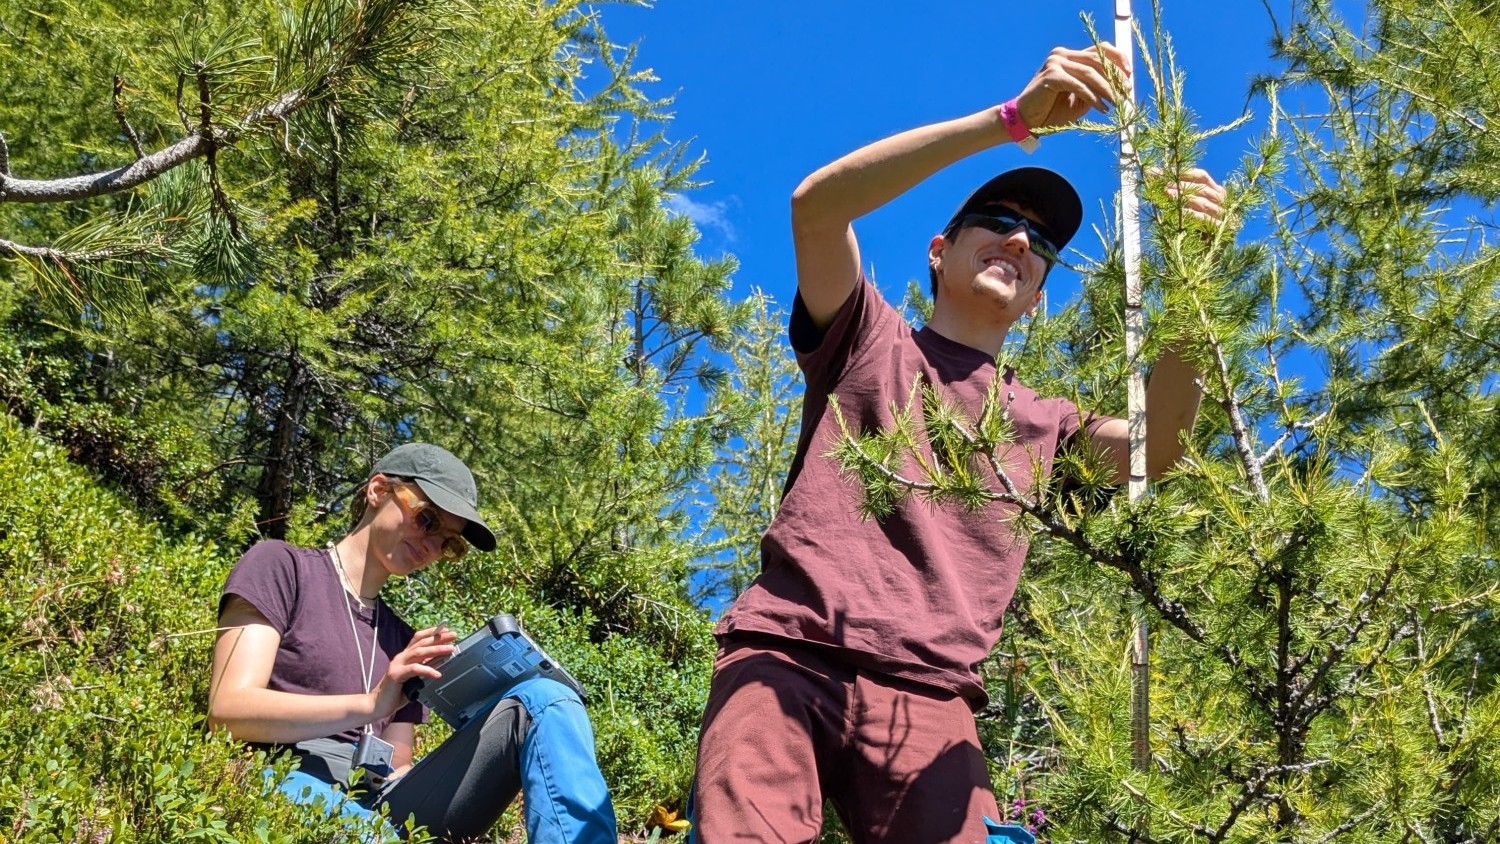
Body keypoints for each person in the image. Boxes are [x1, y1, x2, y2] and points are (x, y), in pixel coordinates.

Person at [690, 43, 1226, 843]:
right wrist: (1009, 123)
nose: (1018, 242)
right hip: (786, 651)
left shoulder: (1048, 426)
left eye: (1039, 246)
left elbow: (1158, 450)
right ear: (938, 252)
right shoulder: (867, 338)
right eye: (998, 222)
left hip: (934, 699)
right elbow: (817, 207)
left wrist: (1193, 279)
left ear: (1038, 299)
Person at [209, 442, 618, 843]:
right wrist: (371, 704)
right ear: (378, 490)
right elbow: (228, 710)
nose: (432, 547)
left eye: (449, 543)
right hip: (284, 774)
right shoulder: (282, 566)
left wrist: (473, 731)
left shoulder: (404, 642)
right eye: (427, 520)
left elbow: (397, 766)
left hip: (379, 799)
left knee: (547, 697)